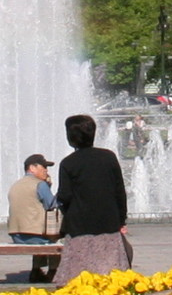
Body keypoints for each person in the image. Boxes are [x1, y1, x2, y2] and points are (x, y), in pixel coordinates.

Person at [53, 112, 130, 285]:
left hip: (80, 225)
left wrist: (64, 211)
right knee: (111, 275)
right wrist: (121, 218)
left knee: (78, 275)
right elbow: (119, 191)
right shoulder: (108, 157)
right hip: (108, 223)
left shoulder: (68, 163)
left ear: (70, 137)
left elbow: (65, 195)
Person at [7, 154, 62, 283]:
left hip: (16, 235)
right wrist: (49, 186)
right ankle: (53, 271)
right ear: (32, 168)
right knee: (56, 238)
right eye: (44, 167)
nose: (46, 170)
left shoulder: (15, 185)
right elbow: (52, 205)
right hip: (35, 235)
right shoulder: (40, 185)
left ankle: (36, 270)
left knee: (41, 236)